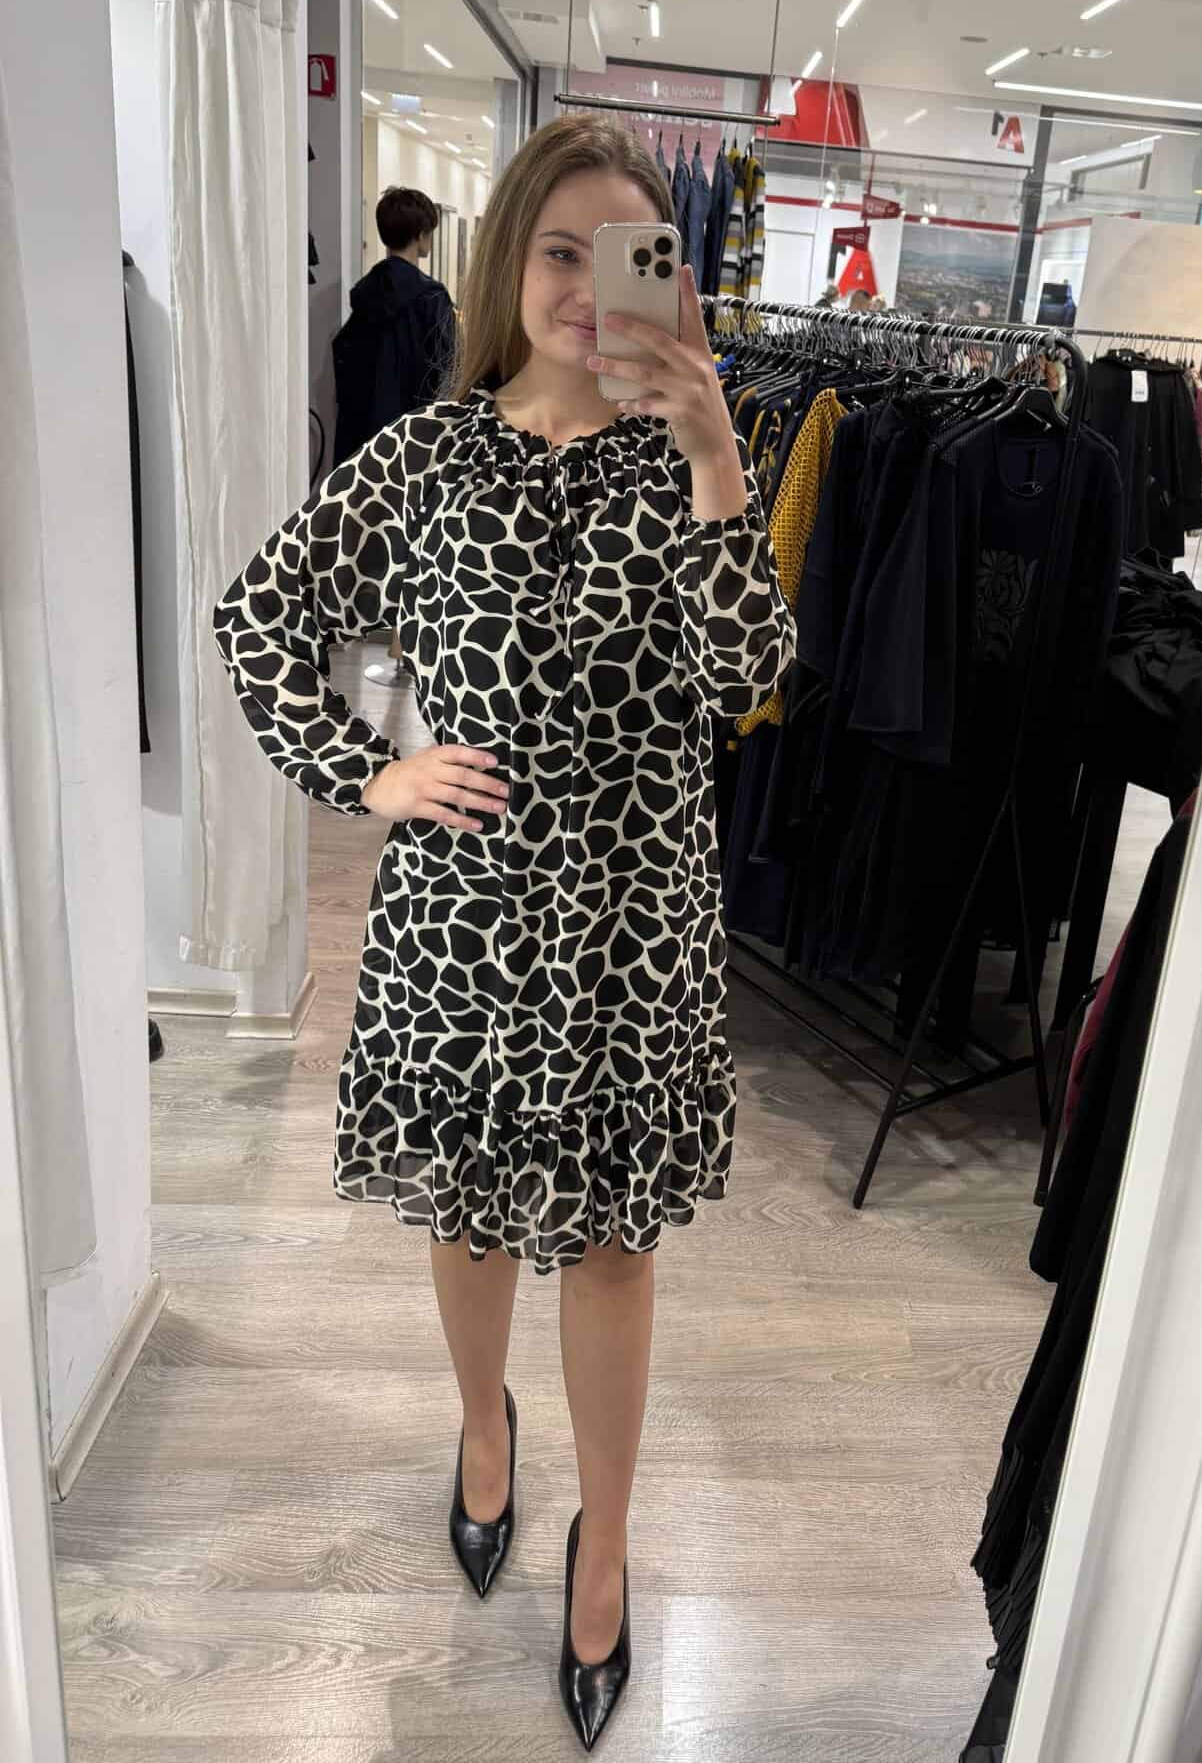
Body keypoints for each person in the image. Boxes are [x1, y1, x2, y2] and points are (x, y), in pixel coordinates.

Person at [211, 116, 794, 1753]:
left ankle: (606, 1536)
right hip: (458, 924)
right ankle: (485, 1427)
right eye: (560, 250)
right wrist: (375, 766)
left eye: (629, 255)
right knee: (467, 1217)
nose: (590, 287)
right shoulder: (425, 457)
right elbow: (266, 618)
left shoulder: (683, 461)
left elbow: (749, 678)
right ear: (508, 263)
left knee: (612, 1248)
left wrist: (718, 461)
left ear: (672, 277)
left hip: (632, 930)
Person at [332, 186, 456, 687]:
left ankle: (360, 628)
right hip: (418, 443)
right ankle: (407, 647)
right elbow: (447, 374)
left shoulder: (362, 297)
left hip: (365, 439)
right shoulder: (431, 300)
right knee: (415, 543)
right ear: (422, 234)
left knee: (368, 536)